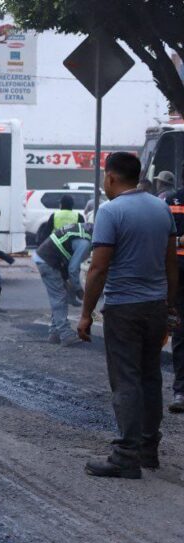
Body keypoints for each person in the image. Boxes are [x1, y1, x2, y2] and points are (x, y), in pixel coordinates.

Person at [78, 151, 178, 479]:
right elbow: (170, 263)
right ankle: (149, 449)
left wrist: (85, 313)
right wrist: (170, 306)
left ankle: (126, 455)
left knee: (126, 380)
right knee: (150, 376)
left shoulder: (111, 211)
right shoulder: (160, 207)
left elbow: (99, 267)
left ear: (110, 177)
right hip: (155, 307)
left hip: (124, 308)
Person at [33, 222, 92, 346]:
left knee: (61, 297)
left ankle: (54, 333)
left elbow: (66, 257)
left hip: (46, 258)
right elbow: (73, 268)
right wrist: (78, 290)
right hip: (48, 261)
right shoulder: (85, 242)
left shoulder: (83, 230)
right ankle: (66, 335)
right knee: (59, 297)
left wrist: (72, 291)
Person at [166, 175, 184, 413]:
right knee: (180, 332)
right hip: (179, 274)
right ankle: (180, 391)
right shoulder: (171, 200)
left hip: (177, 273)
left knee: (181, 333)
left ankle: (181, 391)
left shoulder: (171, 199)